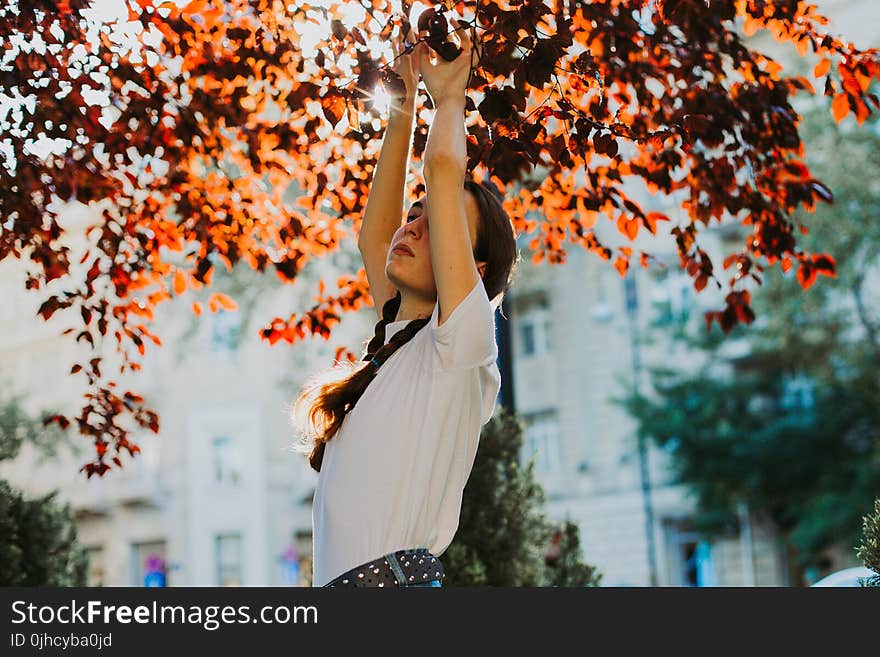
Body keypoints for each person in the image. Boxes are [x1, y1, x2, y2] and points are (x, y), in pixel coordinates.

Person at [290, 15, 518, 588]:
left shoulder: (461, 346)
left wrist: (448, 99)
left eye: (434, 221)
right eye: (413, 215)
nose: (412, 225)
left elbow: (443, 169)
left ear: (475, 267)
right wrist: (403, 100)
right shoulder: (397, 346)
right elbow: (374, 235)